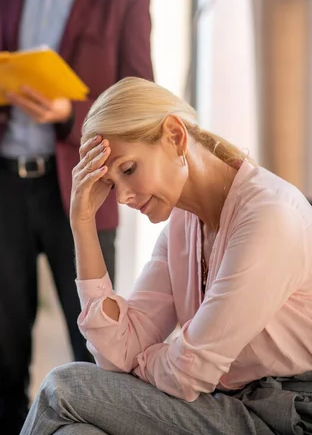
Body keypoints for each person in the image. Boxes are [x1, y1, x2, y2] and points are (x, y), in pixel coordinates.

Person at [0, 0, 153, 435]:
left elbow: (140, 104)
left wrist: (69, 113)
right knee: (5, 357)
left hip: (81, 192)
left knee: (92, 345)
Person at [21, 76, 312, 435]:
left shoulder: (269, 216)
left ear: (175, 136)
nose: (123, 198)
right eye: (112, 184)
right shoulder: (182, 224)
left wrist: (148, 361)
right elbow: (119, 352)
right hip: (223, 406)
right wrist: (82, 224)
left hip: (284, 415)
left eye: (128, 170)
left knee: (63, 387)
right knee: (75, 432)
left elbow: (189, 372)